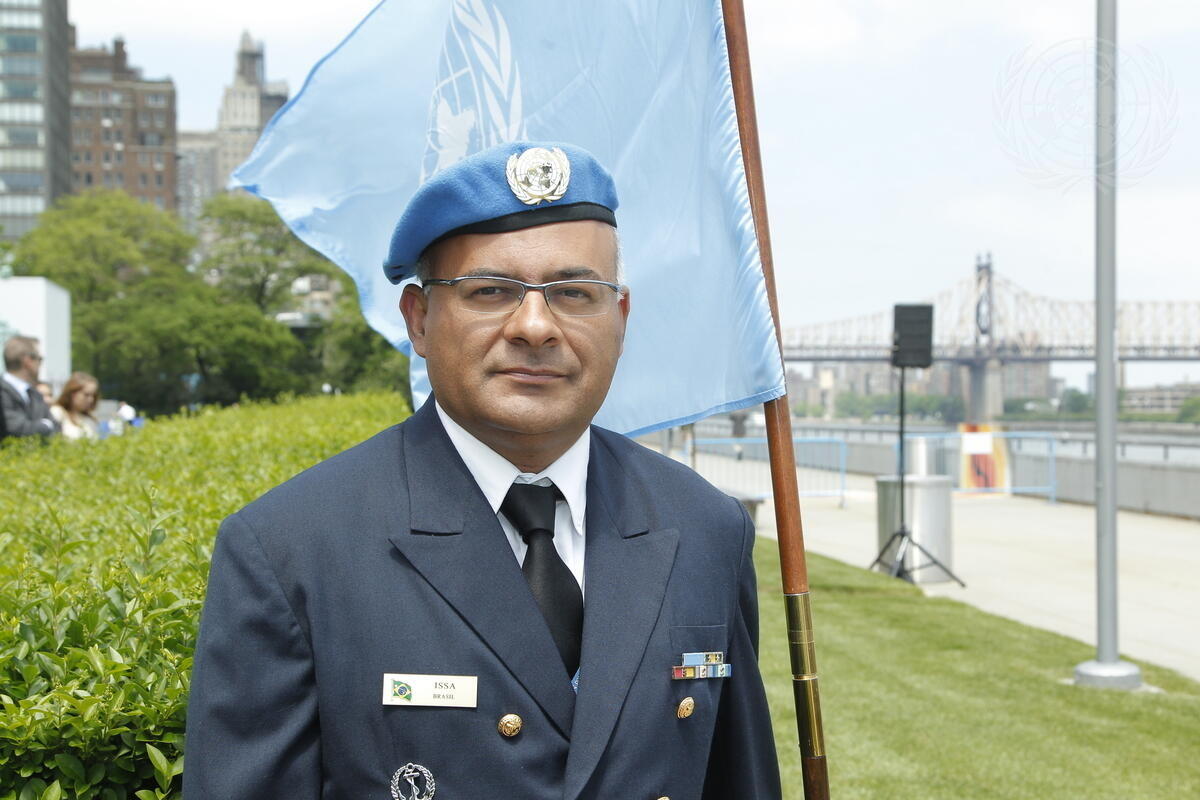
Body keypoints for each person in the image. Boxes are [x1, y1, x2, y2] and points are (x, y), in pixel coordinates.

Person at [185, 142, 782, 799]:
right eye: (491, 291)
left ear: (619, 319)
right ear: (419, 319)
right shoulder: (292, 549)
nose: (535, 327)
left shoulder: (704, 528)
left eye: (574, 293)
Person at [1, 335, 59, 440]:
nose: (40, 364)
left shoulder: (35, 394)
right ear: (28, 361)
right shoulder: (2, 391)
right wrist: (46, 425)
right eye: (39, 359)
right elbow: (14, 428)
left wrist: (38, 426)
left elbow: (57, 427)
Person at [50, 372, 101, 441]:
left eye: (93, 395)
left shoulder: (91, 420)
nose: (91, 400)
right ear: (72, 394)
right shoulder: (58, 413)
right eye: (86, 395)